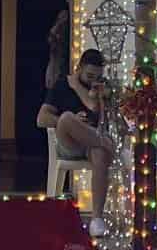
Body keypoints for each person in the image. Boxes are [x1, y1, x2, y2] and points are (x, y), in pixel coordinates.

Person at [38, 47, 116, 238]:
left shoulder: (101, 88)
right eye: (89, 75)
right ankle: (105, 143)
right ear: (79, 67)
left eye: (97, 76)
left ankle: (97, 219)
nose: (93, 80)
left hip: (93, 143)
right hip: (70, 141)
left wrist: (99, 97)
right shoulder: (62, 85)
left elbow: (104, 114)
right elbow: (41, 119)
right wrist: (74, 122)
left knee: (99, 153)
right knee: (66, 117)